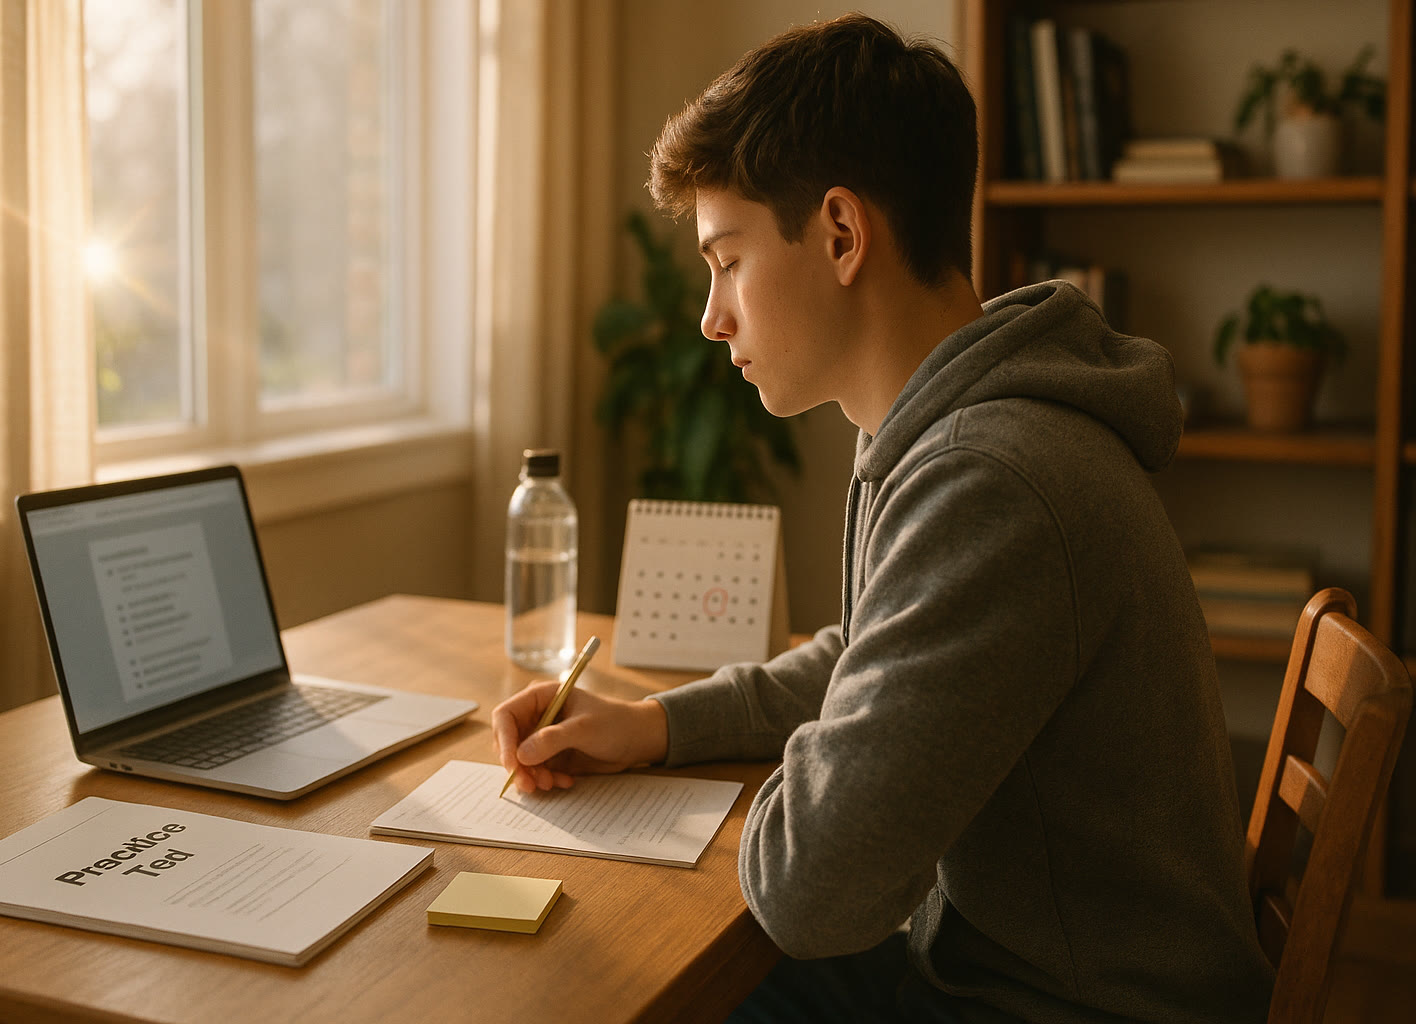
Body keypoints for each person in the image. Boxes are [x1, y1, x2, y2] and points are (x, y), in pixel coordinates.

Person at [492, 13, 1275, 1023]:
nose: (710, 314)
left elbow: (811, 889)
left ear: (842, 234)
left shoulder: (993, 479)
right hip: (1006, 963)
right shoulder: (956, 431)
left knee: (619, 983)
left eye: (726, 259)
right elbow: (870, 657)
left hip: (1059, 1005)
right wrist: (655, 725)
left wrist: (781, 797)